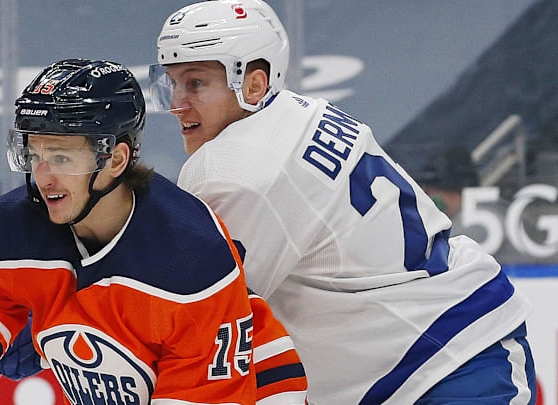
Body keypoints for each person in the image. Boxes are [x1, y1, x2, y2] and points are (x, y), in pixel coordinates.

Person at [146, 1, 537, 404]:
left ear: (253, 84)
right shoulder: (298, 112)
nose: (178, 102)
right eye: (171, 82)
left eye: (196, 83)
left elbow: (195, 320)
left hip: (448, 366)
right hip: (430, 354)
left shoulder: (233, 169)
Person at [0, 58, 308, 404]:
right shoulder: (7, 232)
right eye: (34, 154)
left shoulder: (189, 262)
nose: (43, 177)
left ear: (115, 159)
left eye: (60, 157)